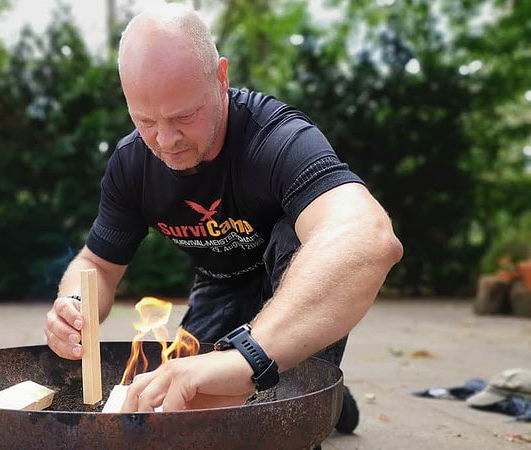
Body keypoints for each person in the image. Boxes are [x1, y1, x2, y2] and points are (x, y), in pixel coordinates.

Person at [43, 3, 402, 432]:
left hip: (298, 290)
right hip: (221, 288)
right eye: (144, 120)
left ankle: (308, 383)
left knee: (271, 412)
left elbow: (368, 237)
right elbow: (96, 264)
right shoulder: (131, 164)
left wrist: (248, 357)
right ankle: (324, 393)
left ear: (221, 79)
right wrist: (76, 307)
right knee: (184, 400)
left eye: (183, 117)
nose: (166, 140)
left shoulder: (278, 139)